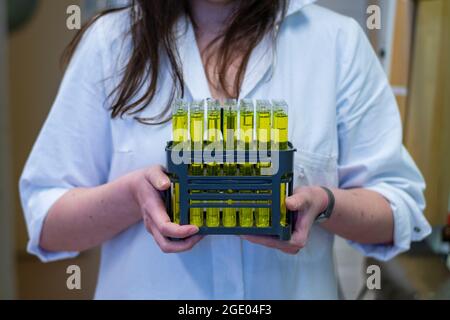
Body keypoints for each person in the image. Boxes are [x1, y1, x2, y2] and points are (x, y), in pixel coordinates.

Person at [19, 0, 431, 299]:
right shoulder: (110, 44)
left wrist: (323, 204)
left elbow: (399, 211)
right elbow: (48, 223)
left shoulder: (336, 43)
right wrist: (132, 197)